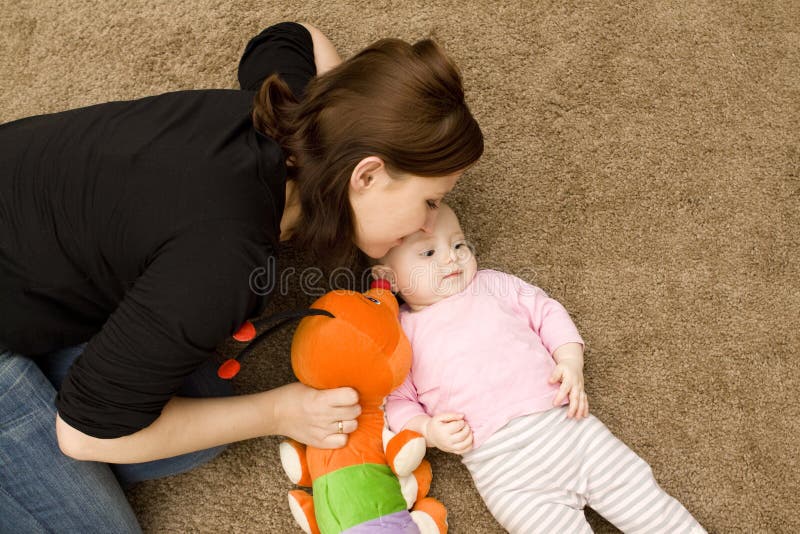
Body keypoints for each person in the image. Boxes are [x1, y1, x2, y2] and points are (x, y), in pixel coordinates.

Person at [0, 22, 483, 532]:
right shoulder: (227, 261)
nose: (432, 222)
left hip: (27, 235)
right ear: (365, 175)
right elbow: (84, 435)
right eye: (428, 201)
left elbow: (294, 35)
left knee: (194, 415)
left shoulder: (294, 116)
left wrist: (361, 124)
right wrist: (279, 412)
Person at [373, 203, 705, 534]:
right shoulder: (398, 334)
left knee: (648, 507)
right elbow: (398, 402)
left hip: (572, 432)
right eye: (429, 253)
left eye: (459, 244)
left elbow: (547, 313)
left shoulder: (493, 285)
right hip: (506, 473)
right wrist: (428, 430)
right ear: (389, 279)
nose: (451, 258)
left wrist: (570, 361)